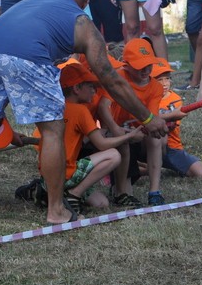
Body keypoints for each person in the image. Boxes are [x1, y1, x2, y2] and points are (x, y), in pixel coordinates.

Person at [0, 0, 166, 224]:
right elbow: (110, 79)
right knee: (52, 130)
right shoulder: (82, 21)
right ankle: (56, 210)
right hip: (27, 56)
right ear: (85, 2)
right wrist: (147, 117)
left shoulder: (34, 1)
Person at [37, 59, 144, 214]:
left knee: (101, 202)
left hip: (48, 177)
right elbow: (102, 145)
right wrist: (130, 136)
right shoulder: (80, 111)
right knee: (114, 155)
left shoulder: (52, 107)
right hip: (67, 173)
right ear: (76, 88)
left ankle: (47, 193)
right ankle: (74, 194)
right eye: (90, 86)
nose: (95, 90)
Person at [104, 37, 166, 206]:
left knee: (157, 138)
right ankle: (119, 187)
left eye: (149, 64)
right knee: (126, 193)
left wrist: (146, 129)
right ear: (126, 64)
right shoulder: (117, 78)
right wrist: (115, 128)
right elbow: (104, 108)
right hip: (115, 131)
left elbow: (151, 118)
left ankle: (154, 191)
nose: (146, 70)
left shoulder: (156, 87)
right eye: (140, 66)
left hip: (138, 131)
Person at [152, 58, 202, 178]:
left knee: (201, 173)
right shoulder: (145, 98)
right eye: (159, 79)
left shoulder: (175, 99)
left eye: (167, 78)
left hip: (172, 148)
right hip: (150, 144)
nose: (164, 83)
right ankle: (149, 168)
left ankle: (159, 166)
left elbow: (170, 127)